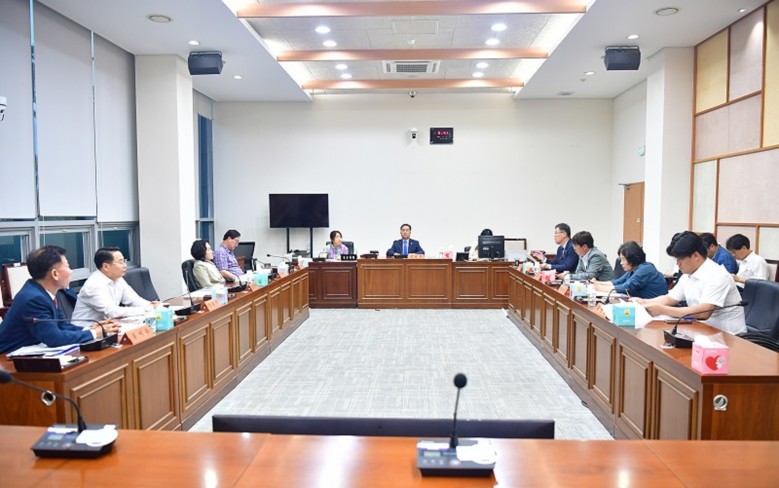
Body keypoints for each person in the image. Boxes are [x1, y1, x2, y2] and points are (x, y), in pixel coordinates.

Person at [0, 246, 120, 354]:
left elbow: (62, 325)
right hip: (7, 359)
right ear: (55, 274)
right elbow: (54, 338)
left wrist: (90, 328)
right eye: (68, 266)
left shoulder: (45, 292)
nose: (71, 271)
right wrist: (94, 333)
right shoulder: (34, 298)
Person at [634, 231, 746, 334]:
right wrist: (643, 302)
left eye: (680, 259)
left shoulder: (717, 275)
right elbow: (670, 299)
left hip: (728, 335)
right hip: (701, 330)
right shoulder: (688, 275)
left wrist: (662, 310)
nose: (677, 264)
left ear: (696, 256)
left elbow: (703, 312)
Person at [72, 247, 154, 323]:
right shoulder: (93, 285)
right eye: (120, 262)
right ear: (106, 266)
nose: (125, 266)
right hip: (86, 330)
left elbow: (133, 300)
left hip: (107, 325)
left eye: (124, 261)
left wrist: (150, 305)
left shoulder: (118, 279)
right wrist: (144, 309)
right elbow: (112, 312)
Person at [593, 241, 667, 298]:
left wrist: (600, 288)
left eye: (623, 259)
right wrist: (597, 283)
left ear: (632, 259)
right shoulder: (633, 269)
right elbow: (619, 281)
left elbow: (626, 287)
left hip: (656, 307)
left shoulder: (645, 269)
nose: (621, 263)